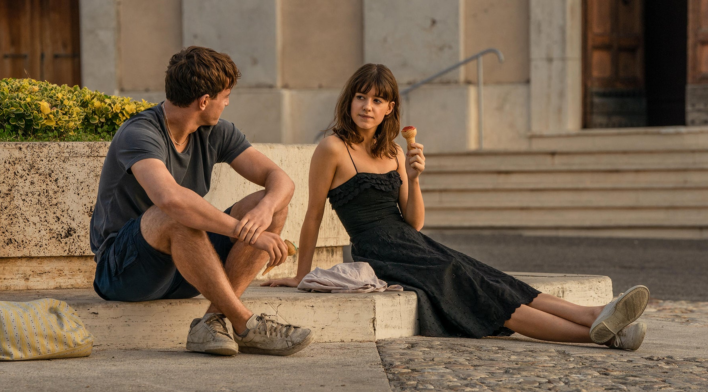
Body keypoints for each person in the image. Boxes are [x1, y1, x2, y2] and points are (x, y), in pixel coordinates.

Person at [262, 63, 649, 350]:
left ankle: (595, 314)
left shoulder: (395, 152)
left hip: (410, 243)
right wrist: (301, 275)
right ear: (349, 102)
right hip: (378, 250)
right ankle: (600, 333)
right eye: (360, 97)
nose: (366, 106)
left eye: (376, 100)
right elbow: (312, 214)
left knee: (488, 276)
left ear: (388, 108)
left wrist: (414, 180)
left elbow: (413, 223)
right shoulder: (333, 148)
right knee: (474, 288)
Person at [90, 46, 314, 357]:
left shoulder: (216, 132)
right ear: (204, 101)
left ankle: (211, 322)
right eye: (225, 96)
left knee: (272, 202)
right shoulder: (139, 133)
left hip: (188, 267)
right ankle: (245, 325)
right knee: (176, 214)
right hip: (124, 272)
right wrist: (245, 231)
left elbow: (281, 180)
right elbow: (170, 199)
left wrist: (263, 212)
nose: (227, 102)